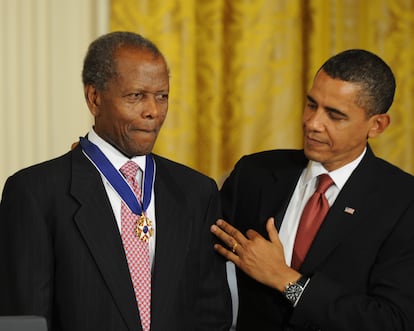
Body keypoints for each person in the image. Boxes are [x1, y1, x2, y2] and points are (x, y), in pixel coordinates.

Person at [0, 31, 232, 331]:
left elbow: (211, 317)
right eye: (136, 96)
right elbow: (25, 321)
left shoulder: (197, 193)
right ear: (94, 98)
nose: (153, 111)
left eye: (162, 96)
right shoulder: (35, 193)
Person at [211, 49, 414, 330]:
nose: (312, 123)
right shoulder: (254, 173)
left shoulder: (403, 202)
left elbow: (392, 321)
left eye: (335, 115)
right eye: (311, 104)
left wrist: (285, 280)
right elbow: (202, 271)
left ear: (377, 125)